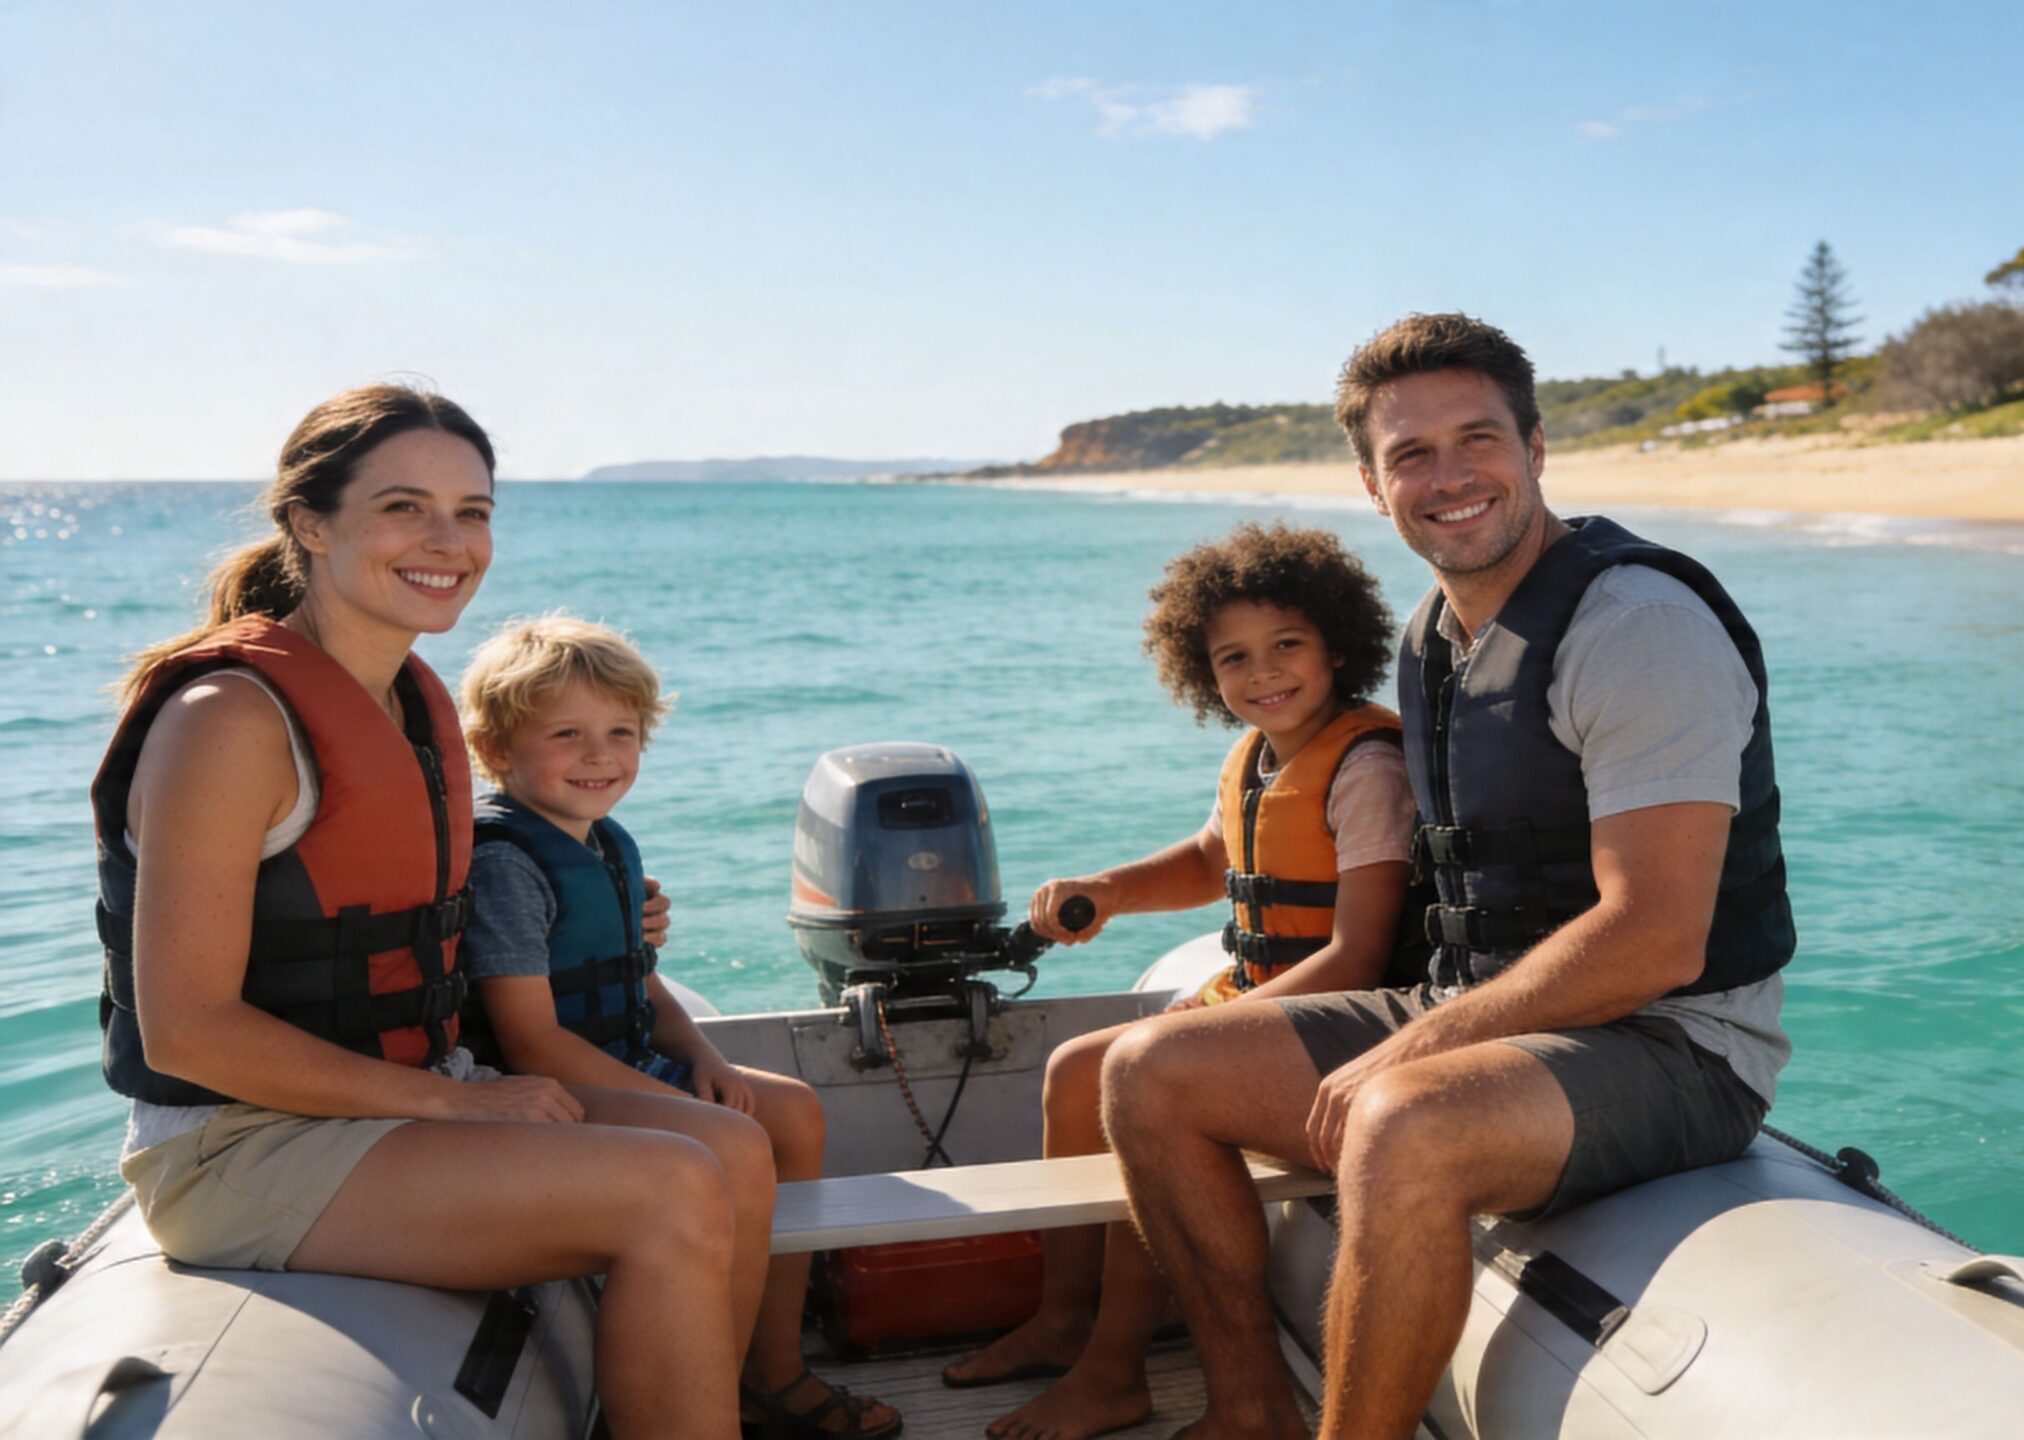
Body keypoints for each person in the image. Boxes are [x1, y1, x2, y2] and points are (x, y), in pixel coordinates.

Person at [1097, 314, 1795, 1440]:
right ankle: (1247, 1410)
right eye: (1410, 454)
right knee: (1147, 1071)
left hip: (1674, 1044)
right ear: (1373, 486)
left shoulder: (1638, 628)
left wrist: (1413, 1047)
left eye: (1478, 438)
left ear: (1534, 448)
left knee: (1401, 1121)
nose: (1450, 475)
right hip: (1481, 1008)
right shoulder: (1435, 636)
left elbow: (1658, 937)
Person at [96, 385, 775, 1440]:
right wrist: (466, 1108)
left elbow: (410, 918)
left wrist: (608, 917)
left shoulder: (408, 701)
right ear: (311, 523)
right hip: (243, 1146)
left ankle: (713, 1407)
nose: (447, 541)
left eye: (474, 511)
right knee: (670, 1187)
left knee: (730, 1149)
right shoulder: (229, 720)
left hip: (401, 1095)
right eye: (406, 506)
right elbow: (188, 1028)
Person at [939, 523, 1419, 1440]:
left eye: (1287, 646)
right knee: (1074, 1071)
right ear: (1202, 672)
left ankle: (1114, 1371)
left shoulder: (1368, 766)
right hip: (1259, 996)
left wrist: (1198, 1038)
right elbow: (1214, 856)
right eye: (1232, 657)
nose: (1261, 673)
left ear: (1338, 646)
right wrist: (1109, 891)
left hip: (1341, 1015)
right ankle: (1067, 1317)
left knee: (1142, 1089)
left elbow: (1357, 957)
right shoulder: (1256, 756)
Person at [455, 614, 899, 1440]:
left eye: (621, 732)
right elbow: (530, 1041)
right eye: (568, 734)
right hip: (543, 1088)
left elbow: (639, 981)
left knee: (792, 1111)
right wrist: (690, 1112)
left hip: (618, 1062)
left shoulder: (602, 842)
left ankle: (772, 1368)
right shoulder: (505, 863)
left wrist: (699, 1054)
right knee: (729, 1141)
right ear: (496, 750)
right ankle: (712, 1398)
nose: (600, 755)